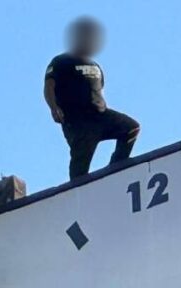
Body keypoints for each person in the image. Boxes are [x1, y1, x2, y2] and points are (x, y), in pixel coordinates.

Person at [45, 17, 141, 180]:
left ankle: (116, 167)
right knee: (80, 168)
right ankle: (77, 193)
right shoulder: (61, 61)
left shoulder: (95, 65)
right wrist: (54, 107)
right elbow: (49, 86)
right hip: (79, 120)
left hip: (101, 115)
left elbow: (98, 89)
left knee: (131, 127)